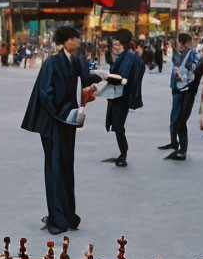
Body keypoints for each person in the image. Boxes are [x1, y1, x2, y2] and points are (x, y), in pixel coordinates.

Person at [21, 26, 96, 235]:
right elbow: (45, 94)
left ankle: (67, 214)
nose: (77, 41)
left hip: (68, 121)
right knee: (54, 169)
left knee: (66, 166)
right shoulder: (52, 62)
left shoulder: (77, 60)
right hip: (53, 121)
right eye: (73, 38)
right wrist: (61, 115)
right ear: (64, 41)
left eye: (77, 37)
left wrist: (103, 80)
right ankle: (57, 218)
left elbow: (90, 75)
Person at [105, 29, 145, 167]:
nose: (115, 48)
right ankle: (122, 153)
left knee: (118, 125)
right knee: (117, 125)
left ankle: (123, 155)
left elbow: (125, 77)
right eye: (114, 45)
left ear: (126, 45)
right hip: (117, 96)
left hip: (123, 97)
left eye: (118, 45)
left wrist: (110, 78)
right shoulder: (123, 56)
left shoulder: (129, 58)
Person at [159, 33, 199, 160]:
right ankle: (174, 142)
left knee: (178, 121)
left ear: (182, 43)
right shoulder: (180, 54)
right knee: (174, 119)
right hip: (177, 89)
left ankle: (181, 149)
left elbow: (192, 69)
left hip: (182, 91)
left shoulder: (191, 54)